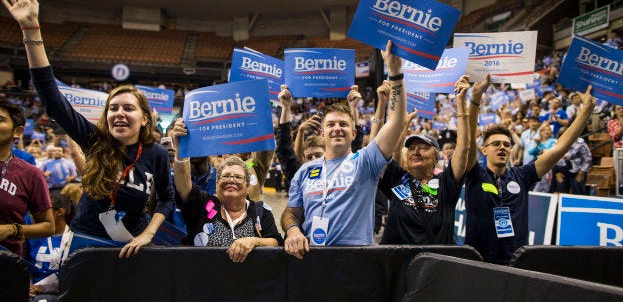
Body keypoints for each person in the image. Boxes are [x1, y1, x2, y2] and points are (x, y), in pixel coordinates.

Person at [2, 0, 175, 257]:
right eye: (113, 108)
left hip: (132, 245)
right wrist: (31, 29)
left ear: (144, 119)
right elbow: (52, 98)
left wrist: (148, 234)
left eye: (129, 108)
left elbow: (167, 198)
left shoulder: (157, 154)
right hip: (85, 242)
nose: (119, 113)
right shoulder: (94, 139)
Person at [281, 40, 406, 259]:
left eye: (343, 124)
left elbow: (395, 121)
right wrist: (292, 229)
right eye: (331, 125)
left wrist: (395, 74)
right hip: (312, 260)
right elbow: (290, 213)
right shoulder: (305, 171)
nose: (337, 129)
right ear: (322, 133)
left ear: (354, 133)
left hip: (355, 261)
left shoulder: (366, 161)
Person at [465, 75, 595, 265]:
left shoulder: (522, 175)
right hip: (478, 261)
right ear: (484, 150)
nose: (502, 147)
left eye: (506, 144)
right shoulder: (474, 173)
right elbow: (467, 144)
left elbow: (560, 148)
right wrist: (475, 100)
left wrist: (587, 110)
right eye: (496, 144)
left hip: (515, 260)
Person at [171, 119, 282, 263]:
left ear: (248, 185)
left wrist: (255, 241)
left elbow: (277, 242)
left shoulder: (260, 211)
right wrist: (182, 149)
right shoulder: (204, 204)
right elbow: (184, 185)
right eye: (226, 176)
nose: (231, 180)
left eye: (238, 177)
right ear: (216, 182)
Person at [378, 75, 470, 245]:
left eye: (423, 148)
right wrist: (403, 124)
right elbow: (393, 150)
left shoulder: (446, 184)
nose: (416, 152)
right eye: (412, 148)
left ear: (436, 158)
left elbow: (463, 149)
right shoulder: (398, 180)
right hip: (397, 264)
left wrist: (461, 102)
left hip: (434, 265)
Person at [0, 96, 54, 256]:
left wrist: (12, 229)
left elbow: (48, 226)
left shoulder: (31, 174)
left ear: (17, 131)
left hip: (6, 267)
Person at [25, 192, 76, 301]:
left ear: (59, 212)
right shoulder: (33, 236)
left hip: (63, 293)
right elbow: (23, 266)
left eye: (44, 210)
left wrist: (39, 288)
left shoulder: (74, 239)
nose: (38, 213)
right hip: (33, 293)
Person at [552, 127, 591, 195]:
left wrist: (582, 171)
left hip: (577, 171)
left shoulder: (580, 142)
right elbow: (553, 158)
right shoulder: (557, 143)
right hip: (562, 171)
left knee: (578, 193)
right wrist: (556, 172)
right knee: (560, 193)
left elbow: (588, 157)